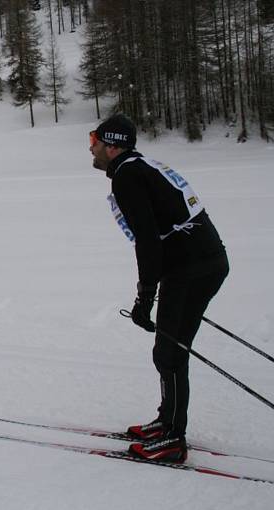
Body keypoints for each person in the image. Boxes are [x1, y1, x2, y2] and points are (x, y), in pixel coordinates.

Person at [89, 114, 229, 463]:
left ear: (113, 145)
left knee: (169, 352)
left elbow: (148, 242)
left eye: (95, 140)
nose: (90, 147)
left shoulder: (127, 175)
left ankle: (172, 439)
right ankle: (166, 423)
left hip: (193, 267)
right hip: (196, 263)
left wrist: (144, 297)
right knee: (167, 350)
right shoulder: (135, 168)